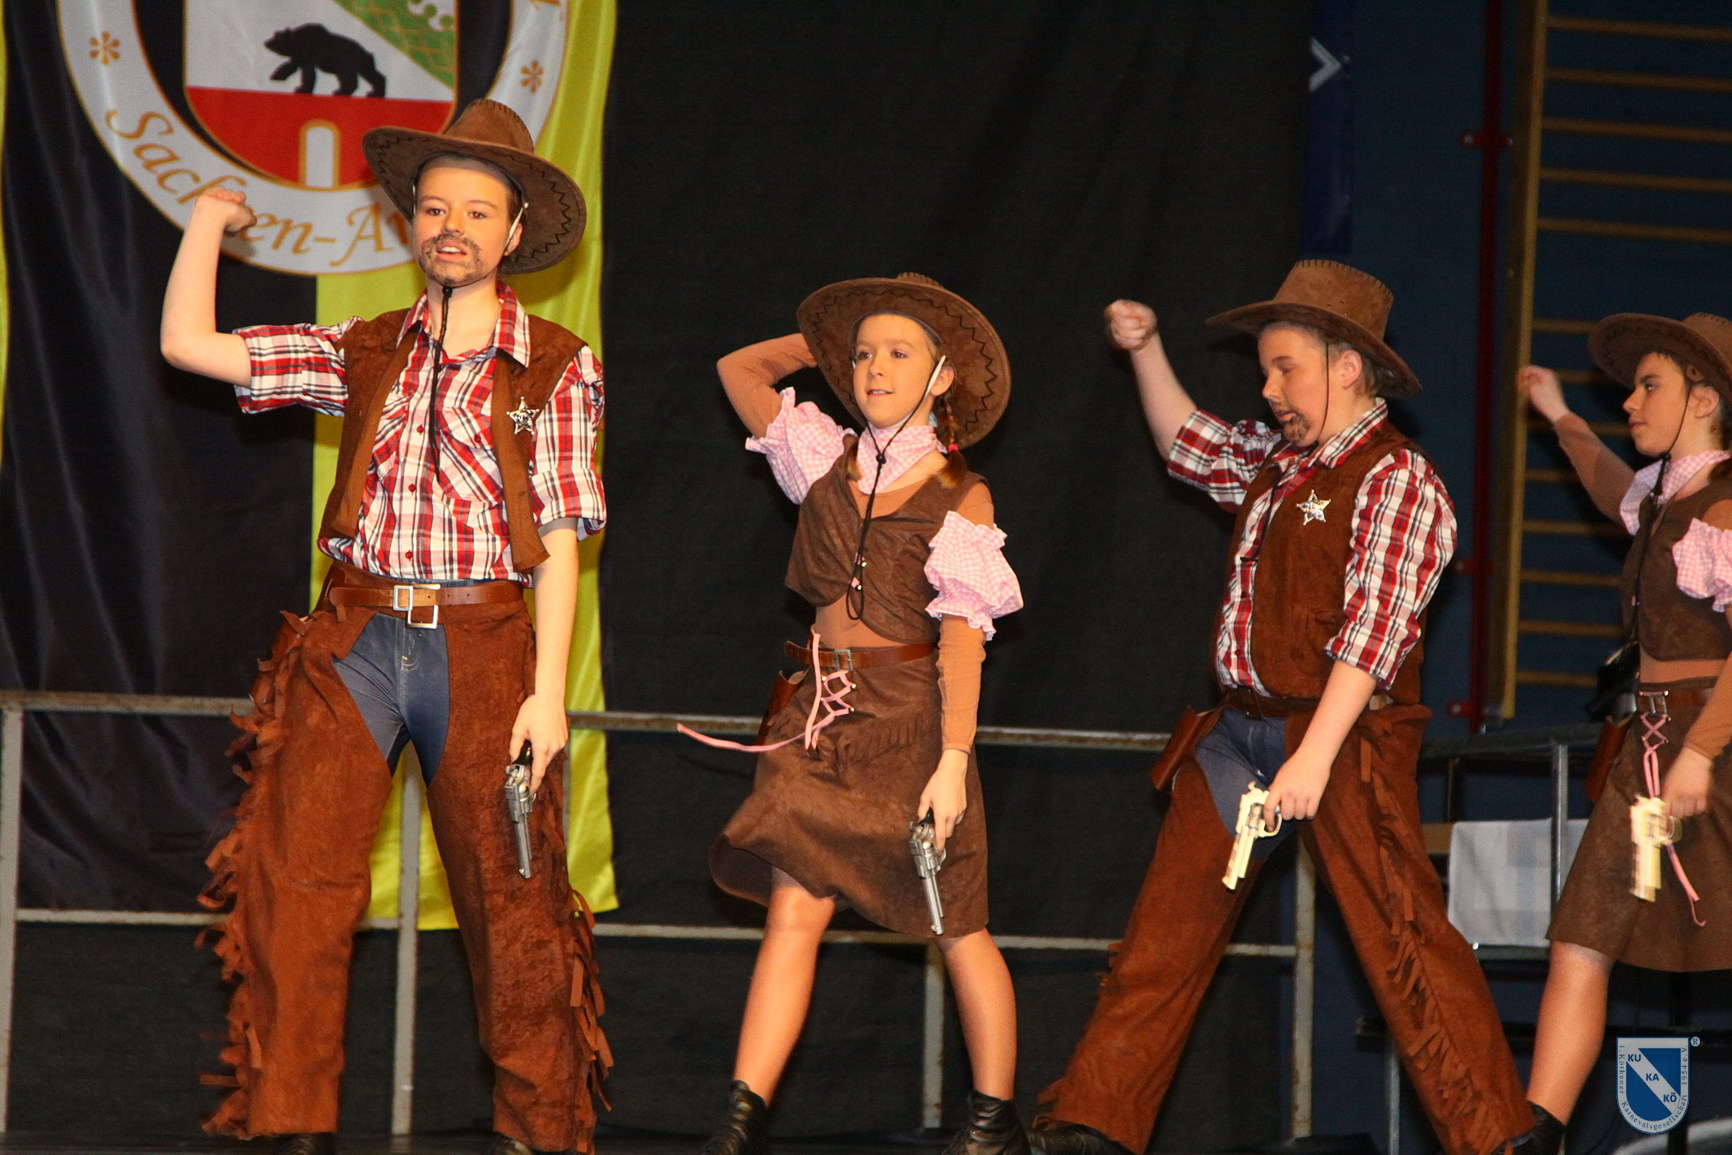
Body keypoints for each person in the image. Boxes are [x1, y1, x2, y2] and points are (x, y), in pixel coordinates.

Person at [159, 100, 609, 1155]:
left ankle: (538, 1134)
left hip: (483, 644)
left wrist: (547, 695)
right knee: (296, 879)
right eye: (435, 208)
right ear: (413, 222)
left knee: (511, 896)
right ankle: (292, 1125)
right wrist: (206, 223)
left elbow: (560, 537)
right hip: (355, 638)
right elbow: (188, 347)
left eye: (478, 212)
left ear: (513, 232)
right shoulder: (365, 349)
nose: (452, 226)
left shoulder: (556, 361)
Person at [1030, 261, 1537, 1155]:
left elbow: (1373, 633)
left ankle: (1496, 1138)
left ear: (1348, 366)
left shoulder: (1396, 477)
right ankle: (1094, 1123)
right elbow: (1188, 444)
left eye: (1285, 368)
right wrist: (1145, 349)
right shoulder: (1276, 465)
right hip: (1240, 731)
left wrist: (1314, 755)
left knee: (1401, 938)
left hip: (1341, 732)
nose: (1268, 389)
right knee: (1165, 933)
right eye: (1265, 369)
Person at [687, 274, 1025, 1155]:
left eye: (899, 353)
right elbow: (738, 371)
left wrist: (953, 760)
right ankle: (739, 1122)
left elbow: (961, 641)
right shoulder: (820, 458)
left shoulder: (960, 492)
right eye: (864, 353)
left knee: (958, 923)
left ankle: (994, 1122)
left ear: (941, 377)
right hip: (818, 716)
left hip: (911, 722)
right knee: (793, 909)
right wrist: (827, 341)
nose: (875, 367)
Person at [1519, 312, 1732, 1153]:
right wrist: (1560, 416)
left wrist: (1701, 753)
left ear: (1704, 399)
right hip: (1648, 747)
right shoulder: (1666, 501)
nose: (1632, 403)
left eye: (1650, 386)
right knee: (1583, 935)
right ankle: (1539, 1130)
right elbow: (1616, 487)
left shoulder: (1723, 509)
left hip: (1710, 744)